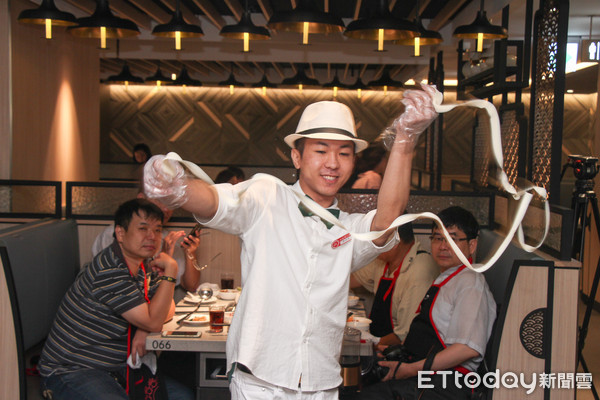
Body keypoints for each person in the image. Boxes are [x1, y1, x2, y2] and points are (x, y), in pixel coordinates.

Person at [143, 86, 438, 399]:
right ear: (297, 157)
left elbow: (387, 219)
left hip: (321, 385)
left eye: (344, 153)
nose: (333, 163)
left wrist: (406, 138)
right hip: (260, 383)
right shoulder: (266, 197)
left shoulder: (349, 228)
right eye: (321, 151)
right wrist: (176, 187)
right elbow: (215, 200)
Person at [38, 198, 192, 400]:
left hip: (117, 367)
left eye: (157, 230)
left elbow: (166, 306)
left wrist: (145, 327)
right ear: (120, 233)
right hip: (73, 368)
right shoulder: (110, 270)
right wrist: (170, 269)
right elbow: (156, 317)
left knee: (182, 396)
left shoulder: (141, 266)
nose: (152, 236)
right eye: (143, 229)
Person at [356, 206, 496, 400]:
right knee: (360, 374)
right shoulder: (447, 278)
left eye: (452, 239)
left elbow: (467, 348)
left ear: (471, 245)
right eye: (438, 238)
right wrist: (390, 351)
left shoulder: (471, 284)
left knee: (366, 396)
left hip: (447, 383)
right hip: (424, 371)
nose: (443, 246)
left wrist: (410, 369)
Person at [92, 192, 201, 295]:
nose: (166, 209)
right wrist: (168, 266)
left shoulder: (168, 238)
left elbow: (190, 286)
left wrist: (187, 253)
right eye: (142, 228)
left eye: (157, 230)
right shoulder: (112, 256)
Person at [350, 221, 438, 346]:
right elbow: (353, 279)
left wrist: (371, 346)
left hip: (400, 349)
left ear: (394, 240)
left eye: (376, 239)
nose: (373, 245)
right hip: (379, 338)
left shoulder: (419, 272)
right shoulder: (385, 258)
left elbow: (405, 334)